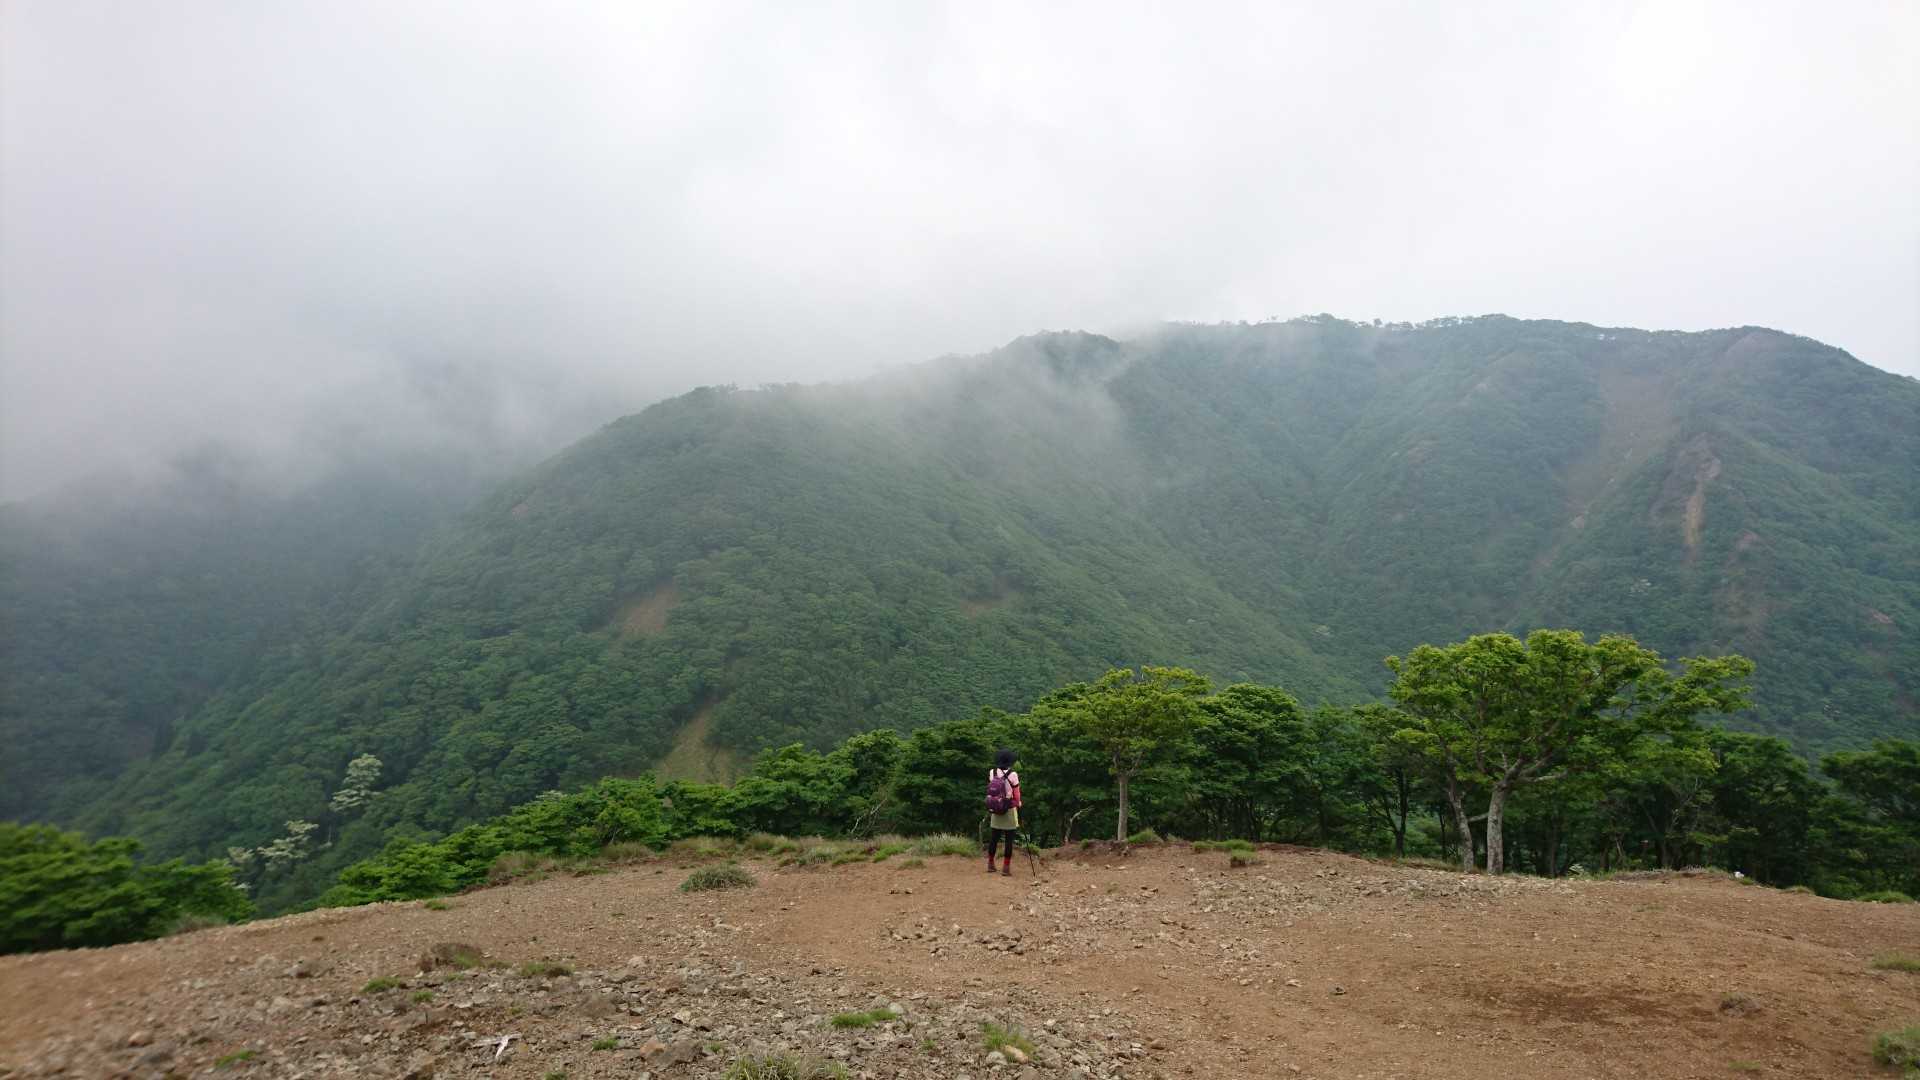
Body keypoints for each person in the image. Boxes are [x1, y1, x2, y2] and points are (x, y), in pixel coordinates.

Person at [986, 748, 1021, 876]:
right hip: (1009, 809)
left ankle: (990, 864)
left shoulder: (992, 772)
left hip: (995, 809)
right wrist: (1018, 803)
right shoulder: (1013, 774)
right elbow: (1016, 794)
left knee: (994, 838)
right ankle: (1006, 868)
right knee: (1009, 840)